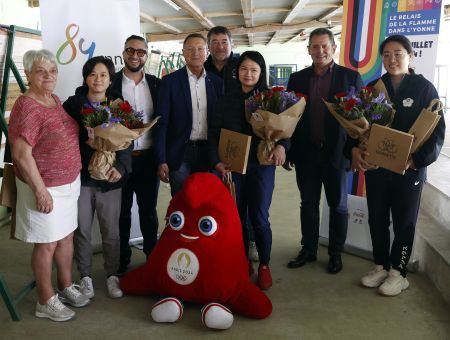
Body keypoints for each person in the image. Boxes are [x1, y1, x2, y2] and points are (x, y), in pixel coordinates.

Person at [347, 35, 445, 296]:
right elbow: (355, 128)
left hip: (409, 170)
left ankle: (398, 272)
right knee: (377, 217)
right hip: (378, 169)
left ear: (410, 56)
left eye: (398, 53)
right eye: (387, 54)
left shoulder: (424, 88)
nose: (392, 59)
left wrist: (417, 160)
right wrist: (356, 149)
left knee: (404, 221)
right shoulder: (372, 88)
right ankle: (380, 265)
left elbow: (437, 131)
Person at [8, 49, 89, 321]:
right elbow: (21, 154)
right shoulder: (26, 106)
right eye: (40, 71)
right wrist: (40, 191)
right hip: (44, 187)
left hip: (68, 184)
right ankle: (45, 299)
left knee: (65, 237)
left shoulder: (53, 99)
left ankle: (65, 286)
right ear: (28, 74)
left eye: (52, 70)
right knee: (46, 244)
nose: (48, 75)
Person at [208, 51, 289, 290]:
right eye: (244, 69)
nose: (248, 74)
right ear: (237, 72)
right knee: (237, 217)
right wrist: (216, 162)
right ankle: (243, 262)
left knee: (260, 218)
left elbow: (286, 131)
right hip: (233, 167)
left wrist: (283, 147)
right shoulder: (225, 100)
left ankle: (264, 264)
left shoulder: (271, 99)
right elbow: (214, 135)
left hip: (262, 167)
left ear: (261, 72)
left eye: (254, 70)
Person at [285, 28, 363, 274]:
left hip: (336, 154)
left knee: (338, 205)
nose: (320, 51)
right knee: (308, 203)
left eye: (324, 46)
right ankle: (308, 249)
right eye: (315, 47)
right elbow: (289, 119)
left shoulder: (350, 78)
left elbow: (359, 122)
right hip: (306, 153)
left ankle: (335, 253)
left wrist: (352, 152)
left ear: (333, 48)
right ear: (308, 50)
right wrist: (287, 151)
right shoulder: (297, 79)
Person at [63, 56, 132, 300]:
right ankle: (86, 278)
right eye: (93, 74)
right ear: (86, 78)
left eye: (103, 75)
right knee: (82, 229)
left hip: (110, 179)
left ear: (110, 79)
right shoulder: (73, 105)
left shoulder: (119, 107)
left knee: (111, 231)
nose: (98, 79)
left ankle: (112, 275)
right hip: (80, 179)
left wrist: (121, 168)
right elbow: (61, 136)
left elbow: (126, 142)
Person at [110, 35, 161, 275]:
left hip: (148, 159)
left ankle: (153, 257)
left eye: (141, 52)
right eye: (131, 50)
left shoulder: (156, 84)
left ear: (145, 55)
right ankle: (122, 260)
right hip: (119, 161)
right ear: (123, 52)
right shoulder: (110, 84)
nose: (135, 55)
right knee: (121, 213)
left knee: (148, 211)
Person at [154, 33, 223, 196]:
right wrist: (161, 160)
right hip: (180, 153)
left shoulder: (217, 83)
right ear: (183, 52)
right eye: (190, 49)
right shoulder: (170, 82)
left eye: (200, 49)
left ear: (207, 52)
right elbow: (161, 123)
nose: (196, 53)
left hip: (209, 151)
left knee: (208, 201)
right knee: (181, 201)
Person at [204, 26, 239, 93]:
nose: (220, 47)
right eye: (215, 42)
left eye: (224, 42)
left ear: (231, 44)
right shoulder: (202, 69)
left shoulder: (241, 66)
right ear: (208, 46)